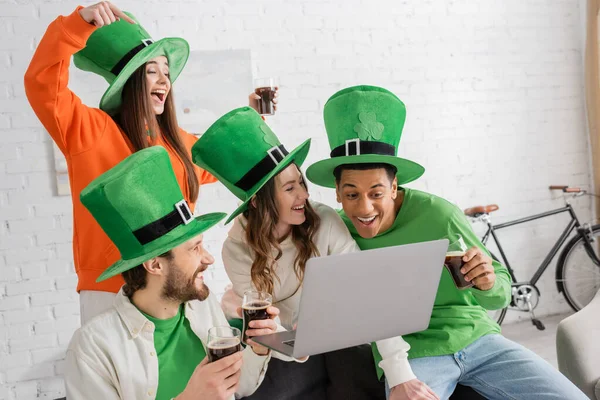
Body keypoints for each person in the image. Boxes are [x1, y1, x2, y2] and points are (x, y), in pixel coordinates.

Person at [306, 85, 589, 400]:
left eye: (376, 193)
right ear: (336, 192)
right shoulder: (337, 233)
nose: (364, 208)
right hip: (415, 354)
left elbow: (498, 296)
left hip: (477, 339)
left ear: (394, 186)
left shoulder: (439, 214)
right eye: (351, 195)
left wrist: (488, 282)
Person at [24, 2, 270, 323]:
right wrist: (76, 25)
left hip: (176, 287)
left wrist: (255, 116)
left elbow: (223, 159)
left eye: (167, 72)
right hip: (113, 292)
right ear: (130, 82)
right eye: (152, 71)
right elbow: (43, 86)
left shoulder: (176, 143)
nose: (164, 80)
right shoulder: (90, 131)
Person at [191, 106, 396, 399]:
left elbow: (361, 283)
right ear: (258, 203)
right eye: (290, 188)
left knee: (353, 372)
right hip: (287, 348)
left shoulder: (324, 220)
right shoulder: (236, 251)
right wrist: (297, 343)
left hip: (341, 335)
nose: (305, 194)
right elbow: (265, 325)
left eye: (300, 181)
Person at [65, 146, 279, 400]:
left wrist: (258, 349)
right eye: (195, 248)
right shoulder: (93, 347)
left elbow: (238, 387)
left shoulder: (203, 306)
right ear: (155, 265)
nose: (208, 258)